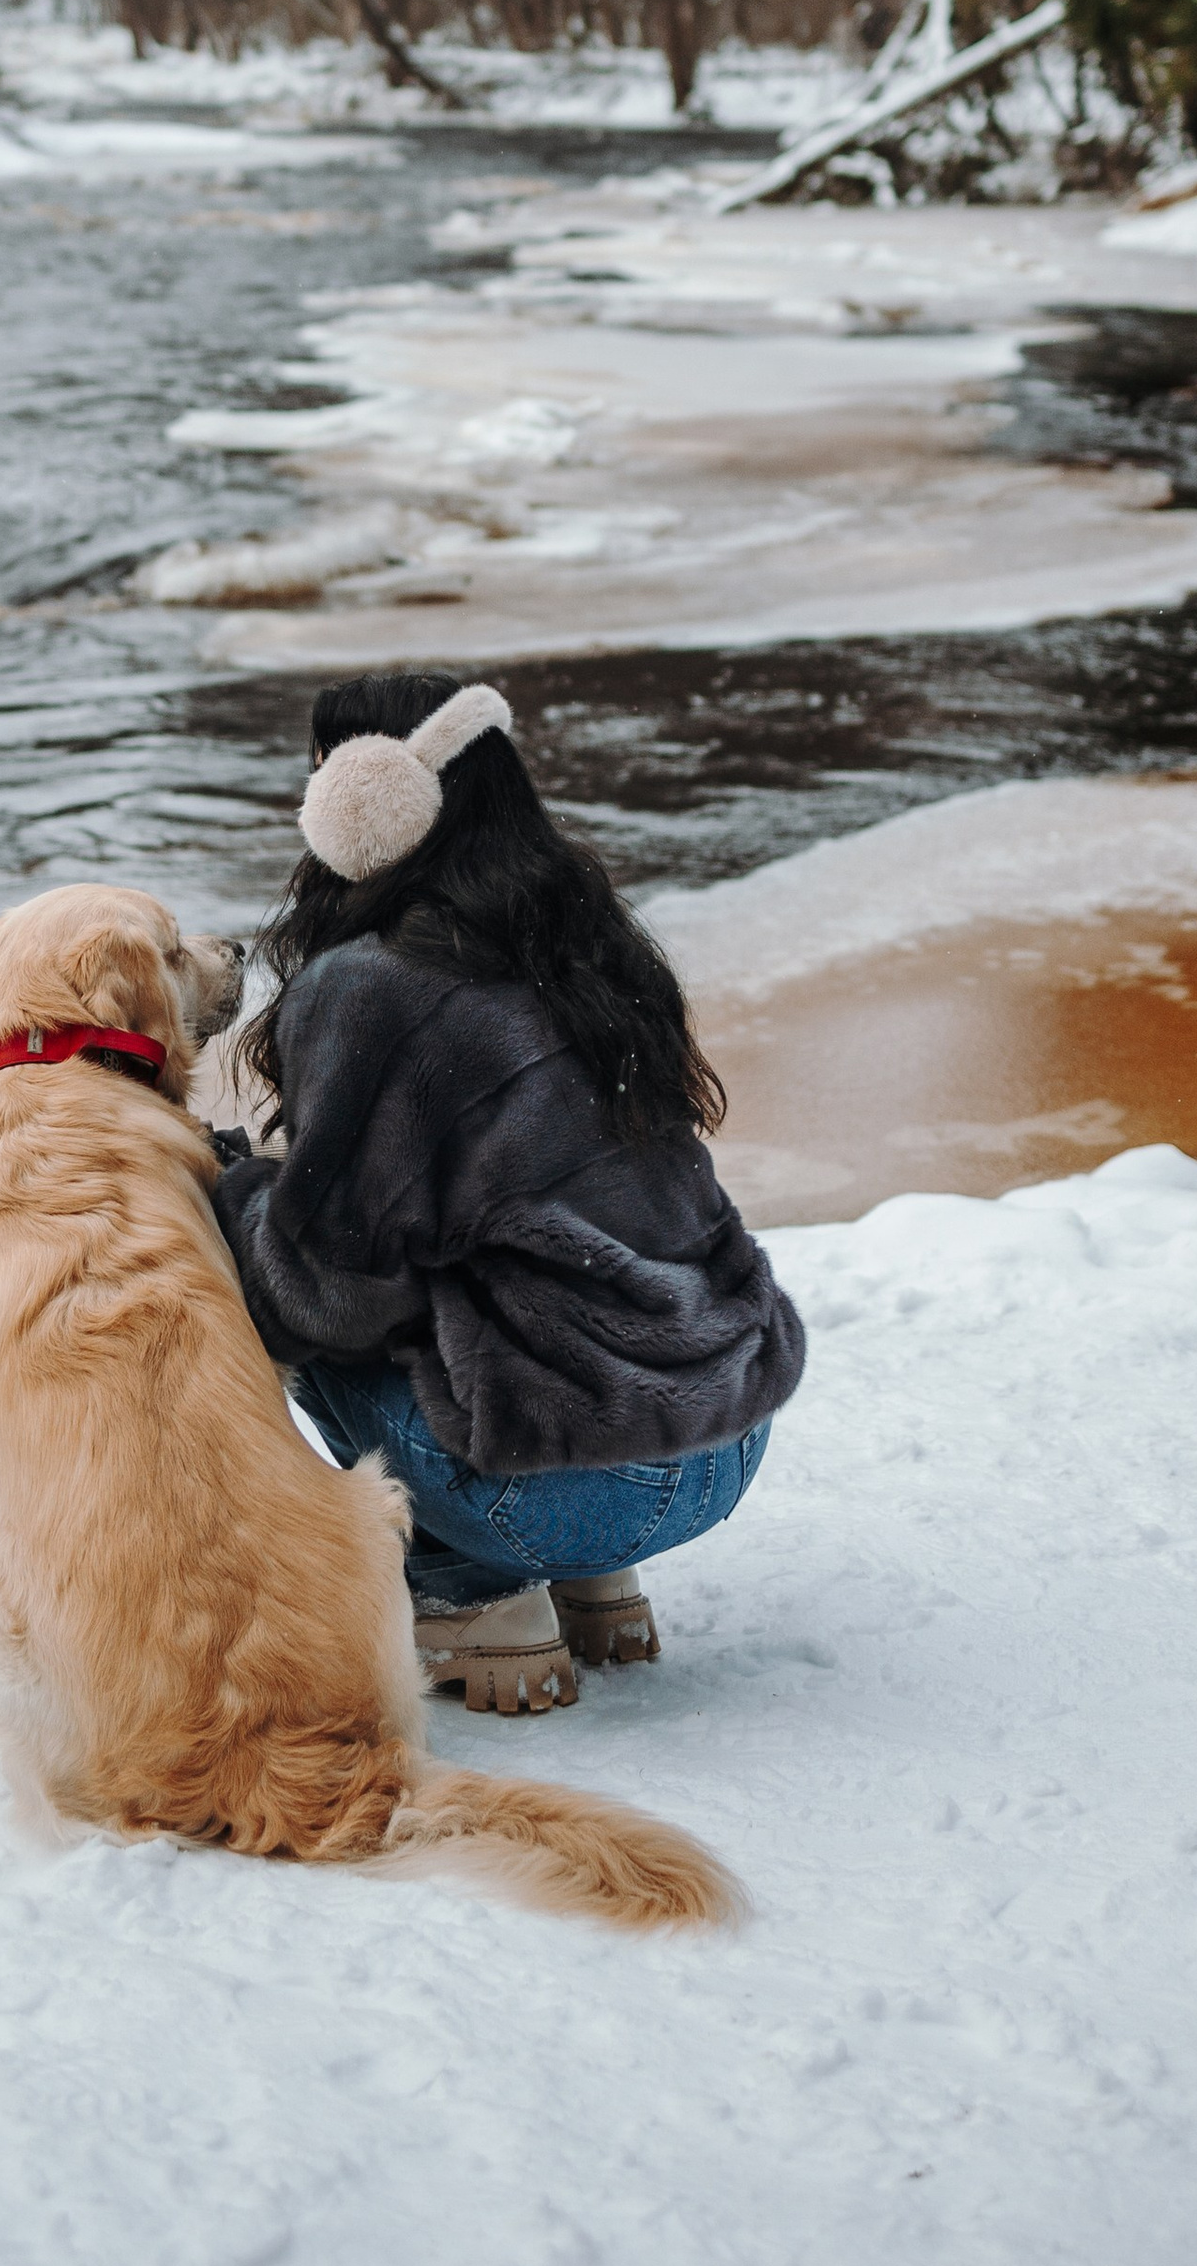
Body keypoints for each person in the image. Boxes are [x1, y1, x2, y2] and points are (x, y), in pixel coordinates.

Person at [209, 669, 804, 1715]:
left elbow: (326, 1293)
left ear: (368, 798)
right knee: (505, 1273)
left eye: (315, 781)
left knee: (275, 1297)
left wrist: (225, 1196)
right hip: (721, 1440)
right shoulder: (585, 934)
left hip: (571, 1486)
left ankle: (474, 1592)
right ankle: (595, 1591)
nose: (305, 812)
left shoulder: (370, 986)